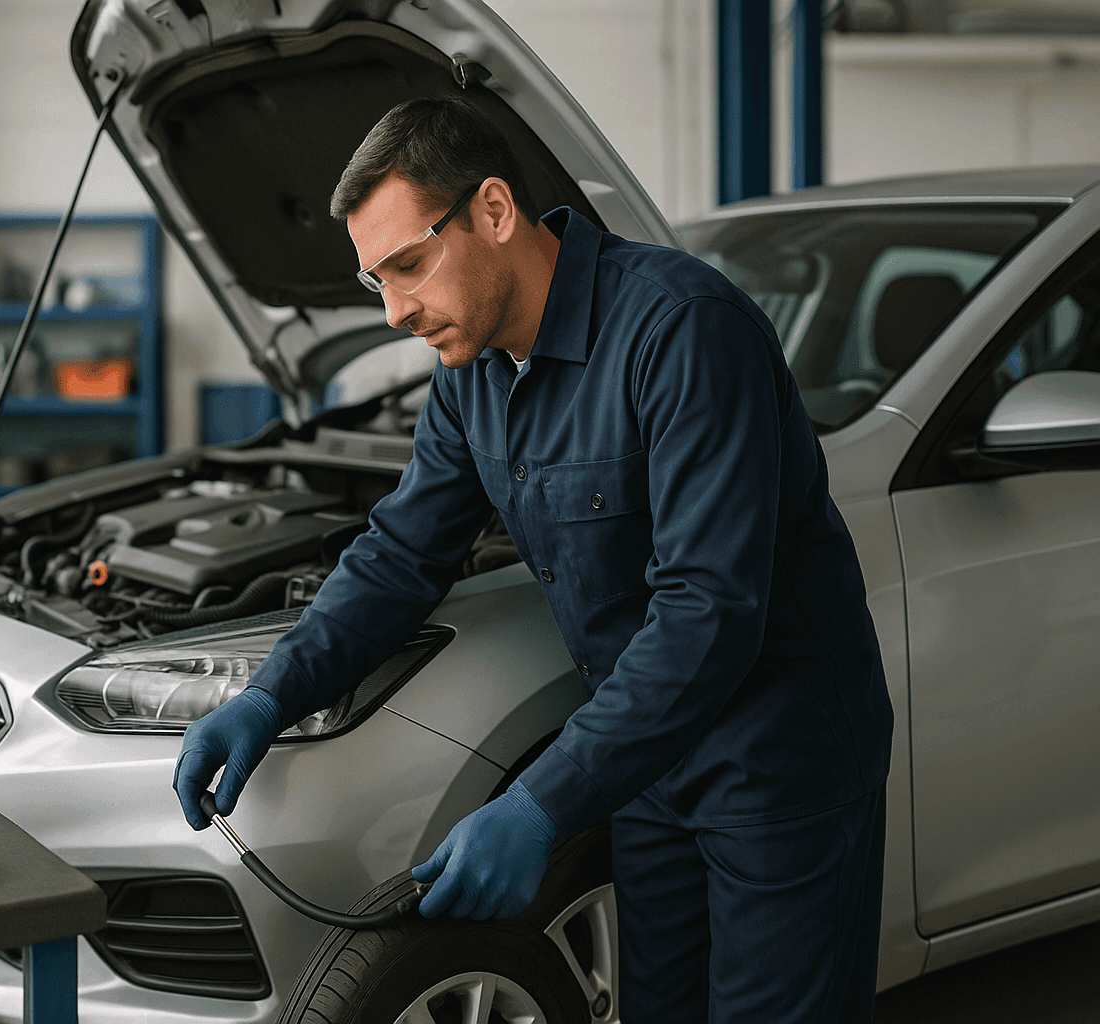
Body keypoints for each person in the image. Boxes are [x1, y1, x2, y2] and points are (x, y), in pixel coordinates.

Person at [174, 96, 894, 1022]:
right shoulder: (470, 373)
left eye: (407, 265)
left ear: (495, 212)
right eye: (374, 283)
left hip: (777, 762)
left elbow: (707, 612)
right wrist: (273, 694)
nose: (395, 311)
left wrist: (540, 804)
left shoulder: (682, 332)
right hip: (644, 764)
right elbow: (402, 551)